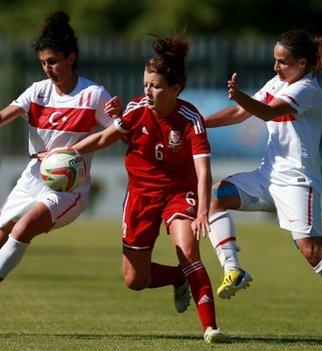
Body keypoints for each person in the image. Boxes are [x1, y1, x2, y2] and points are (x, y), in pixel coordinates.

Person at [0, 11, 120, 334]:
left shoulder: (93, 95)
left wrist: (107, 122)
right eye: (44, 62)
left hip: (67, 189)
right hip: (33, 177)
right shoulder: (37, 92)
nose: (49, 69)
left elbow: (119, 131)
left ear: (71, 58)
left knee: (23, 228)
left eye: (54, 61)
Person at [203, 29, 322, 346]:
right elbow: (240, 112)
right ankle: (233, 270)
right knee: (215, 195)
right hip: (267, 176)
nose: (275, 67)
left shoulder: (307, 89)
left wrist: (239, 95)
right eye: (274, 60)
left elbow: (268, 111)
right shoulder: (278, 82)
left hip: (298, 183)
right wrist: (199, 121)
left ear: (302, 62)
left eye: (282, 62)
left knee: (313, 252)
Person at [67, 31, 225, 343]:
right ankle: (178, 278)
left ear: (175, 89)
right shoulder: (136, 109)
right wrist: (68, 153)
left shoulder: (190, 119)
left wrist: (203, 211)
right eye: (145, 85)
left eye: (155, 86)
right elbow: (102, 139)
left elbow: (203, 171)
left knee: (188, 250)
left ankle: (210, 328)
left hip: (180, 193)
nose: (148, 91)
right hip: (140, 195)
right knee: (134, 280)